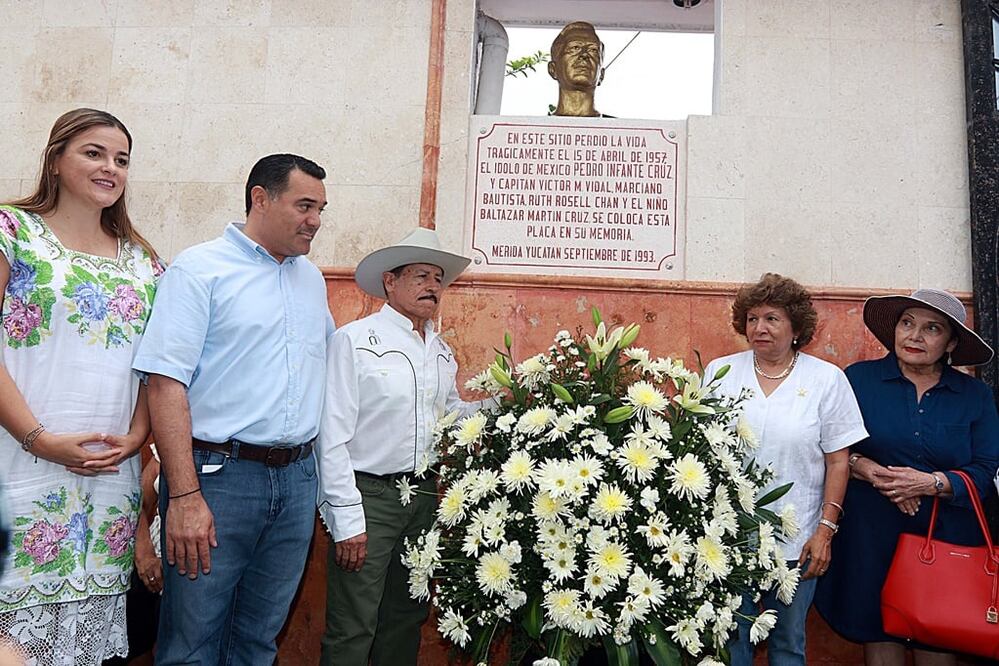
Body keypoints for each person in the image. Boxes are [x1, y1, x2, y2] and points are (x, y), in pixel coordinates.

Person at [132, 154, 333, 664]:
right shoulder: (199, 269)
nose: (315, 220)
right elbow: (164, 382)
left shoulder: (311, 280)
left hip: (294, 485)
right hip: (217, 480)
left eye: (321, 209)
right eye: (304, 205)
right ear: (260, 199)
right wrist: (185, 495)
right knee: (191, 646)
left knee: (257, 641)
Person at [0, 108, 162, 664]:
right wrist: (38, 439)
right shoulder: (11, 231)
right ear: (55, 159)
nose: (110, 168)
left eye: (121, 159)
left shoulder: (144, 262)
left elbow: (155, 366)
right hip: (17, 460)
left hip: (106, 478)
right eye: (94, 152)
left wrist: (138, 436)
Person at [317, 228, 493, 666]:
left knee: (406, 615)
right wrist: (346, 516)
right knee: (354, 624)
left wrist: (505, 402)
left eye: (437, 278)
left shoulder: (440, 350)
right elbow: (331, 434)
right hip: (369, 497)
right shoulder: (354, 341)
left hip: (424, 498)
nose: (432, 286)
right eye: (420, 276)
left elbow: (451, 415)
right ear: (390, 282)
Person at [815, 288, 999, 666]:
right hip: (873, 534)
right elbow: (827, 446)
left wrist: (930, 483)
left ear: (950, 343)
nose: (915, 335)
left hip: (947, 540)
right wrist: (865, 468)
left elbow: (985, 470)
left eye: (931, 328)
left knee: (939, 639)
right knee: (878, 633)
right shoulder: (858, 380)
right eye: (907, 323)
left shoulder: (974, 395)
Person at [703, 273, 867, 666]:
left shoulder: (827, 379)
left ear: (796, 327)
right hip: (730, 537)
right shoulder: (720, 372)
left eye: (772, 318)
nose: (760, 327)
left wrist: (825, 531)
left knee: (788, 643)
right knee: (731, 639)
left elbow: (838, 460)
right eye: (753, 318)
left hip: (798, 540)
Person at [548, 21, 606, 117]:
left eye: (593, 50)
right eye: (575, 48)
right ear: (552, 69)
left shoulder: (623, 130)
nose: (584, 55)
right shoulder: (533, 129)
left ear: (602, 75)